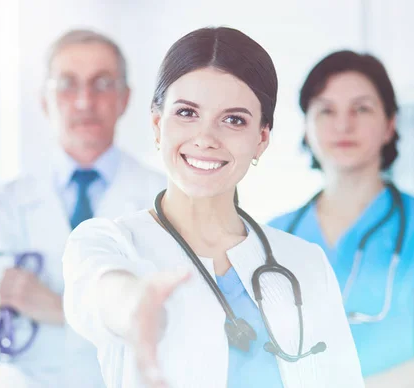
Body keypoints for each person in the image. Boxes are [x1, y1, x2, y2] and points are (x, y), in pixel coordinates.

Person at [62, 27, 364, 388]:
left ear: (261, 139)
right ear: (158, 124)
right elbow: (101, 292)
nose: (205, 138)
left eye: (233, 119)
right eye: (187, 113)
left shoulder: (305, 262)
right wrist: (135, 306)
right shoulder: (108, 242)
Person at [0, 29, 166, 388]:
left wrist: (56, 307)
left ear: (125, 98)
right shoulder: (5, 204)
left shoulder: (164, 199)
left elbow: (170, 326)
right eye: (67, 84)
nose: (84, 101)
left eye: (102, 83)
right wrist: (113, 315)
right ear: (45, 100)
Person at [269, 51, 414, 386]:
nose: (344, 124)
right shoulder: (270, 238)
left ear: (390, 124)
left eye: (362, 108)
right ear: (305, 127)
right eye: (326, 110)